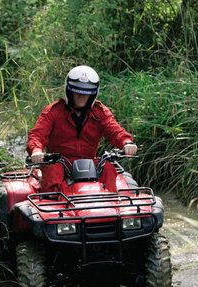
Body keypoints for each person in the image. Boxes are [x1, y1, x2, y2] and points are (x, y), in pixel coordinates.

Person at [27, 65, 138, 193]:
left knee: (107, 168)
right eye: (77, 91)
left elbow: (114, 130)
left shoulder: (99, 111)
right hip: (60, 162)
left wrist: (126, 142)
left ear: (93, 93)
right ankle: (49, 201)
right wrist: (36, 150)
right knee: (53, 172)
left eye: (86, 92)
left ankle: (112, 204)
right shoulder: (54, 111)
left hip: (88, 163)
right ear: (69, 91)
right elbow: (37, 135)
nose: (81, 96)